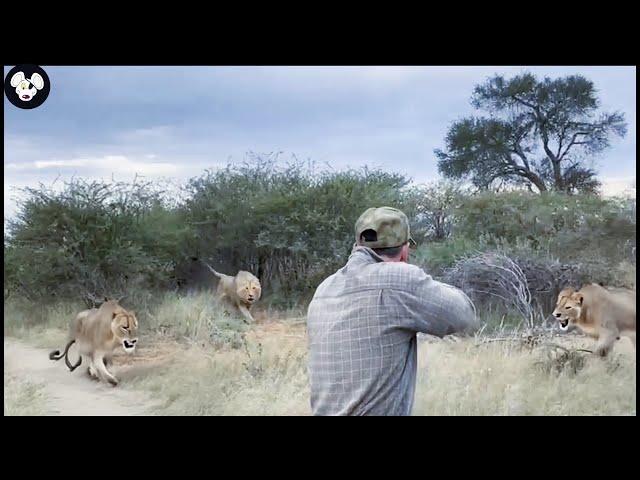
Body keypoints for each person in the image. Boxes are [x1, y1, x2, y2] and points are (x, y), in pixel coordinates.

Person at [307, 206, 478, 416]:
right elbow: (464, 315)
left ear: (357, 245)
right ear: (404, 251)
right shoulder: (400, 279)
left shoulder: (324, 288)